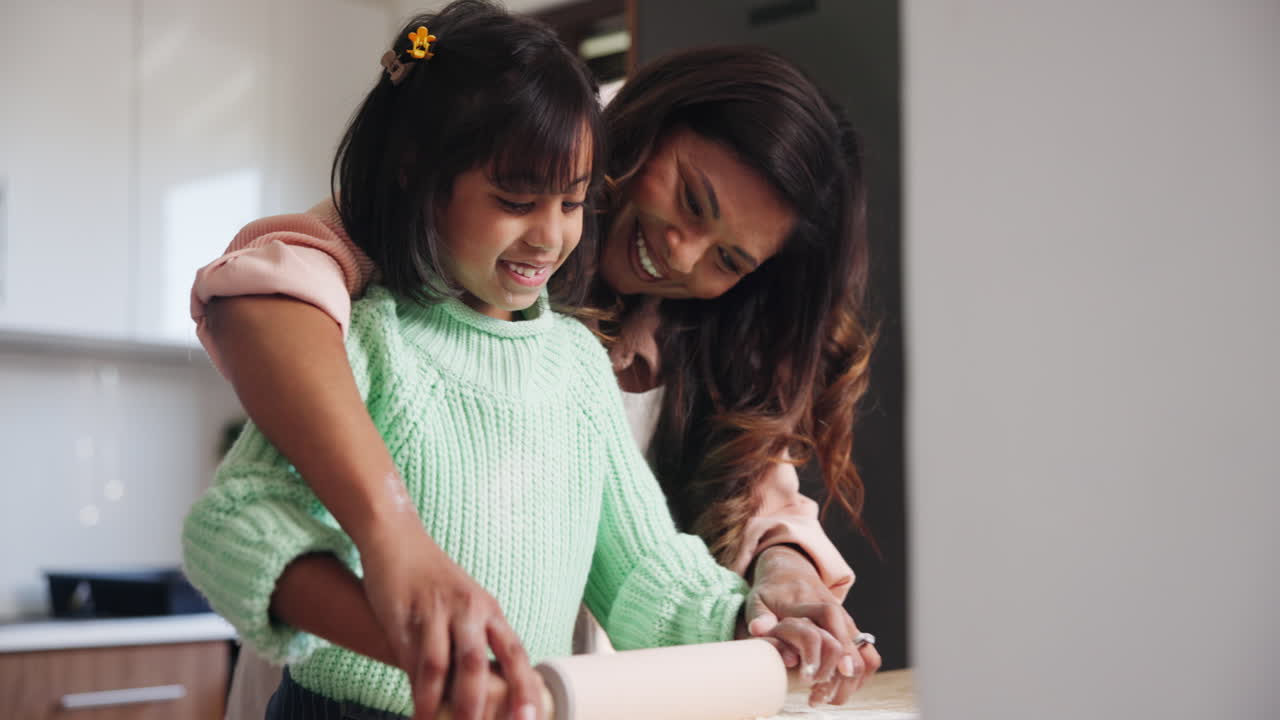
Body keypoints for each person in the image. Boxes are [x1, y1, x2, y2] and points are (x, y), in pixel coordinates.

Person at [194, 18, 880, 719]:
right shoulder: (380, 322)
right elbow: (242, 499)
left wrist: (761, 622)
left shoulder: (581, 367)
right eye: (691, 200)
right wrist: (404, 584)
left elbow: (652, 571)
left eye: (729, 259)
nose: (681, 253)